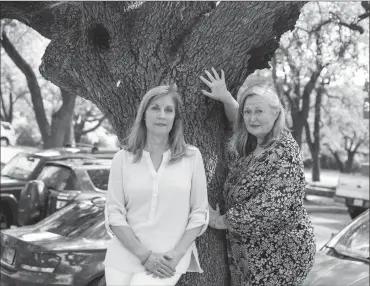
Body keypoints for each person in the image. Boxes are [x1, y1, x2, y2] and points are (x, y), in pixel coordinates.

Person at [200, 68, 316, 286]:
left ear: (276, 113)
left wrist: (220, 221)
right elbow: (241, 121)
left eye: (259, 111)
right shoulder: (255, 142)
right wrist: (225, 96)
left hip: (280, 256)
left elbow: (271, 207)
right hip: (252, 252)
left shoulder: (283, 150)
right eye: (247, 111)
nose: (252, 118)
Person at [104, 85, 209, 286]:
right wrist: (144, 255)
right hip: (124, 254)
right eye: (155, 108)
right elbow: (114, 212)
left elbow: (199, 212)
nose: (162, 115)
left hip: (169, 257)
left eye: (168, 110)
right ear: (143, 114)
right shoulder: (122, 159)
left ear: (175, 119)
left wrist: (178, 253)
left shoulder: (191, 157)